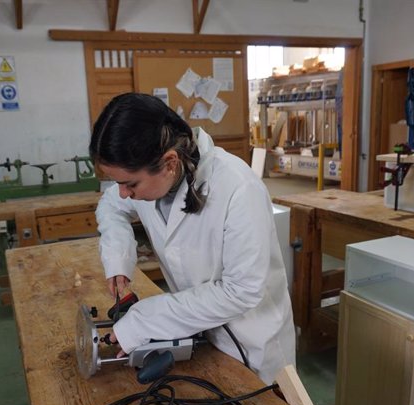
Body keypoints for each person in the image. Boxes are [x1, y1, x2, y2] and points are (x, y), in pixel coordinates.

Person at [89, 93, 296, 384]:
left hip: (253, 347)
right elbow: (110, 206)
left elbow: (242, 291)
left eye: (129, 183)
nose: (123, 192)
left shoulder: (238, 188)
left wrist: (144, 319)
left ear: (170, 163)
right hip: (199, 336)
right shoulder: (153, 177)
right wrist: (118, 260)